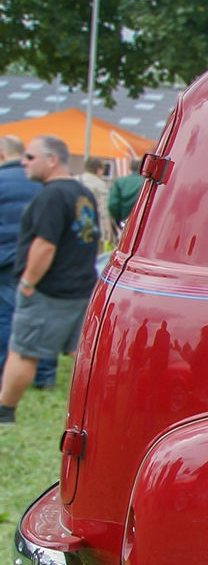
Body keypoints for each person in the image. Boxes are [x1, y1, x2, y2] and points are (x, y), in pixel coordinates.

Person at [0, 136, 100, 424]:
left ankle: (4, 410)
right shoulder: (83, 192)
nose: (23, 162)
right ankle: (103, 403)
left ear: (51, 160)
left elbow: (45, 244)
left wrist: (29, 282)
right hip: (80, 285)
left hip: (50, 289)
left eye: (30, 157)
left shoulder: (51, 196)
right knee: (79, 353)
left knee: (23, 352)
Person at [0, 136, 57, 389]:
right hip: (40, 256)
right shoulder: (42, 183)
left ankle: (5, 369)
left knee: (7, 316)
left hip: (5, 260)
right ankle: (44, 374)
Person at [107, 155, 146, 231]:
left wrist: (119, 220)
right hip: (142, 224)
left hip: (124, 223)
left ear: (130, 168)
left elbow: (112, 205)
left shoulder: (119, 182)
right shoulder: (146, 182)